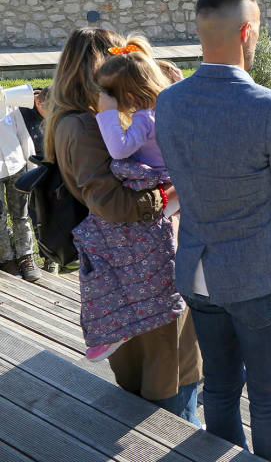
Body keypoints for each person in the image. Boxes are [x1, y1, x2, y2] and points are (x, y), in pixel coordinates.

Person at [158, 0, 271, 458]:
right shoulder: (269, 107)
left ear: (200, 31)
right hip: (259, 276)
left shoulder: (168, 102)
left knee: (218, 386)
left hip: (198, 270)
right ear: (247, 32)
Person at [48, 27, 201, 425]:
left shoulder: (79, 121)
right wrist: (176, 189)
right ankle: (178, 439)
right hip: (140, 268)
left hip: (127, 267)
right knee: (171, 370)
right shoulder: (84, 126)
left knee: (156, 366)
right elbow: (114, 204)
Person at [80, 38, 183, 360]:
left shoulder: (144, 117)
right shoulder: (170, 105)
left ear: (129, 96)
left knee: (118, 247)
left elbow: (120, 149)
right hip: (176, 187)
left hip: (164, 192)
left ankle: (120, 326)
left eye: (111, 95)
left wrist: (107, 114)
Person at [0, 90, 37, 281]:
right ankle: (6, 259)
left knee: (21, 214)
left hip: (16, 166)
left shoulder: (10, 100)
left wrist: (31, 167)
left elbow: (23, 134)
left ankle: (25, 256)